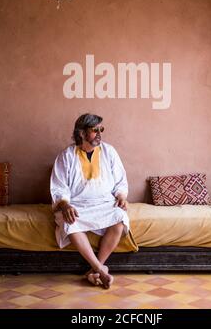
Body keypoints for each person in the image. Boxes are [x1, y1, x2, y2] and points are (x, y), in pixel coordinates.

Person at [50, 113, 129, 289]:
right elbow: (59, 187)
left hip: (105, 204)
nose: (100, 133)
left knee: (120, 218)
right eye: (95, 130)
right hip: (77, 206)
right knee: (70, 221)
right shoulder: (66, 156)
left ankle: (95, 270)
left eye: (101, 129)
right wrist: (65, 205)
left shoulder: (109, 151)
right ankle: (101, 270)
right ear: (81, 133)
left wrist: (122, 196)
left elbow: (120, 181)